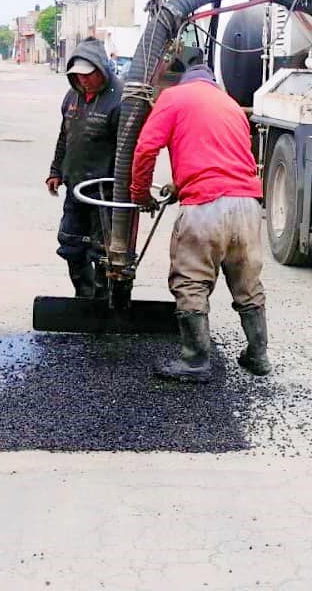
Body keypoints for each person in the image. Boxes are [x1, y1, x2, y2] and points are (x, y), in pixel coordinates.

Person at [130, 64, 270, 382]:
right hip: (247, 205)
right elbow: (223, 160)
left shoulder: (174, 98)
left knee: (191, 280)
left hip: (205, 207)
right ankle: (258, 355)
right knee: (247, 284)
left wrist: (140, 194)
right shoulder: (230, 105)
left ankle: (195, 360)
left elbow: (145, 149)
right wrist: (179, 186)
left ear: (184, 82)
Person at [47, 37, 122, 299]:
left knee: (103, 252)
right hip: (75, 188)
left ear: (101, 70)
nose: (83, 81)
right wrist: (56, 171)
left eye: (88, 75)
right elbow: (64, 136)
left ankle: (102, 302)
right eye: (78, 76)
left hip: (105, 193)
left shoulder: (120, 100)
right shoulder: (72, 96)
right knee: (70, 245)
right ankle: (83, 295)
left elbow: (130, 150)